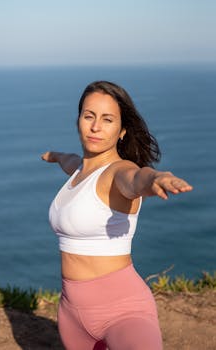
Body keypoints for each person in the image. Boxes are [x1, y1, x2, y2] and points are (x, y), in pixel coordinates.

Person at [42, 81, 193, 350]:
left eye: (107, 119)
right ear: (79, 120)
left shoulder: (118, 171)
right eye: (89, 116)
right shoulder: (79, 170)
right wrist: (54, 156)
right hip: (71, 314)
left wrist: (158, 177)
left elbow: (136, 178)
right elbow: (71, 160)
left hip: (123, 311)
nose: (96, 127)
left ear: (122, 130)